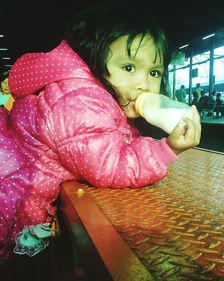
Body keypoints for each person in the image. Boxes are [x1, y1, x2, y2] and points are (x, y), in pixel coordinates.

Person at [0, 2, 201, 266]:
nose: (144, 83)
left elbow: (111, 138)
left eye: (154, 72)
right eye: (129, 67)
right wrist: (166, 150)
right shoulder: (81, 102)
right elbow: (108, 166)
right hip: (15, 201)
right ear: (94, 61)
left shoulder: (97, 99)